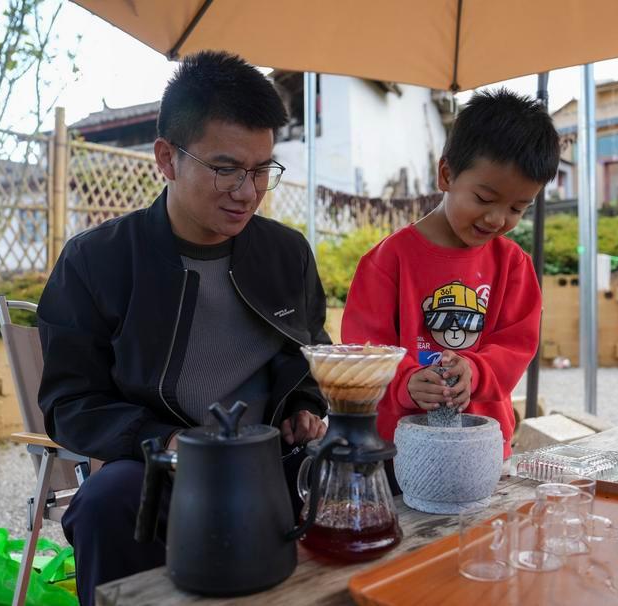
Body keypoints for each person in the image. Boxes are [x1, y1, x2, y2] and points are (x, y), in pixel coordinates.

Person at [37, 51, 329, 605]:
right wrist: (167, 442)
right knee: (105, 502)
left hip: (271, 464)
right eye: (226, 168)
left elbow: (310, 355)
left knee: (378, 475)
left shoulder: (286, 254)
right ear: (167, 159)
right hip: (160, 473)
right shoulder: (97, 261)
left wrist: (302, 406)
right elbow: (70, 402)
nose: (247, 191)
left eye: (262, 169)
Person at [341, 89, 560, 478]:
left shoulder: (513, 265)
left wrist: (476, 371)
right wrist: (406, 381)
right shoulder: (387, 261)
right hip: (401, 451)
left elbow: (516, 346)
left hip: (483, 445)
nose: (497, 219)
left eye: (517, 208)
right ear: (446, 175)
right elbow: (364, 350)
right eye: (484, 198)